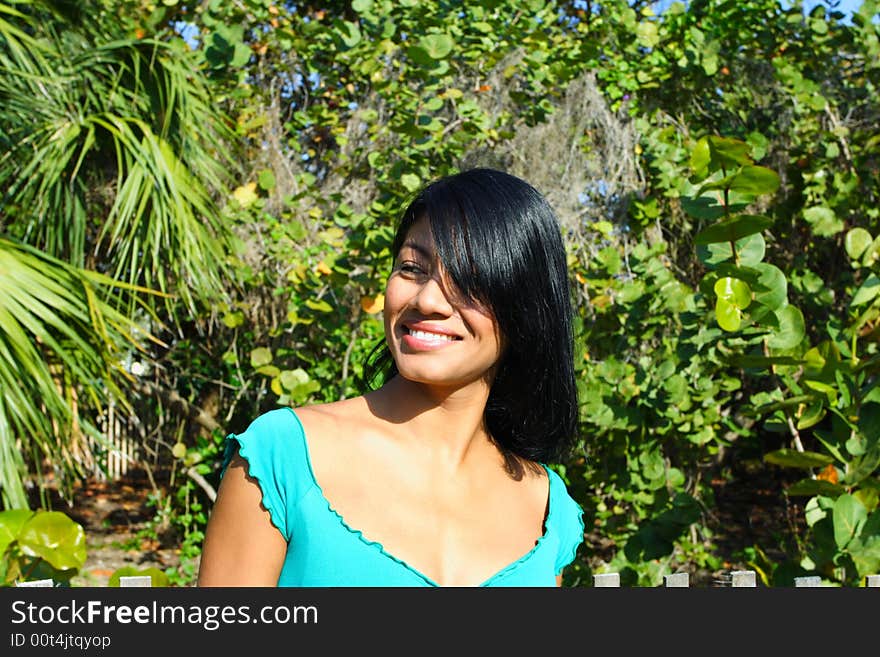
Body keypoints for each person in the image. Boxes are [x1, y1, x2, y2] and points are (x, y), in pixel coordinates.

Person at [197, 167, 585, 587]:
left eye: (470, 279)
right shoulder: (284, 455)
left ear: (528, 311)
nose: (428, 299)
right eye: (413, 268)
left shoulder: (547, 505)